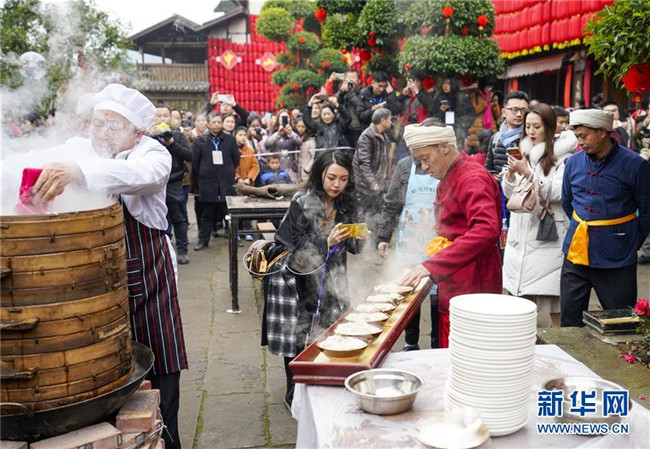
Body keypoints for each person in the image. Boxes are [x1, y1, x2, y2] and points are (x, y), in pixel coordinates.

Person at [31, 84, 187, 449]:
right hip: (93, 280)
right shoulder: (79, 148)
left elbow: (139, 176)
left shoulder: (152, 153)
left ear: (137, 132)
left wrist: (78, 172)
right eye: (98, 123)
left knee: (161, 360)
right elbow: (29, 157)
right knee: (100, 362)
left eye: (114, 125)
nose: (102, 132)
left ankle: (167, 437)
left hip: (149, 278)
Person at [261, 149, 364, 408]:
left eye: (343, 179)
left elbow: (354, 248)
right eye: (331, 178)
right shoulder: (302, 201)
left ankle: (324, 381)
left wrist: (359, 235)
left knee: (331, 327)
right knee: (297, 335)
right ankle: (294, 390)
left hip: (332, 276)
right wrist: (326, 241)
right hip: (297, 277)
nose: (337, 185)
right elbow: (291, 244)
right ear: (320, 175)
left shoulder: (347, 203)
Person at [398, 123, 502, 348]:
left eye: (426, 158)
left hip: (473, 281)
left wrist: (433, 265)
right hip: (455, 277)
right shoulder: (450, 174)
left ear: (444, 147)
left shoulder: (471, 177)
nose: (424, 166)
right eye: (420, 161)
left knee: (466, 348)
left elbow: (486, 229)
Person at [560, 109, 650, 326]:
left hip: (617, 255)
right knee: (570, 318)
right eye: (577, 137)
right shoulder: (573, 162)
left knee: (621, 321)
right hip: (576, 251)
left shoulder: (635, 165)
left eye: (584, 136)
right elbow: (567, 202)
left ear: (602, 132)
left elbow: (646, 212)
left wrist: (629, 240)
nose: (580, 143)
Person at [501, 104, 576, 327]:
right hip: (520, 235)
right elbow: (511, 194)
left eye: (537, 126)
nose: (531, 131)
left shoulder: (564, 159)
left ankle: (563, 346)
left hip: (547, 237)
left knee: (554, 304)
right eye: (528, 127)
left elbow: (559, 193)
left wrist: (527, 173)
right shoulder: (523, 154)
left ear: (549, 128)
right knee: (518, 308)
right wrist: (511, 175)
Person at [377, 121, 441, 350]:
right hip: (409, 242)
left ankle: (437, 344)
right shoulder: (405, 166)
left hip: (438, 243)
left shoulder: (445, 167)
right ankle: (411, 342)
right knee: (409, 294)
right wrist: (383, 236)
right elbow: (392, 203)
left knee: (437, 298)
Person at [150, 104, 192, 265]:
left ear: (171, 118)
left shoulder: (178, 135)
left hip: (174, 183)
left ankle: (182, 249)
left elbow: (190, 155)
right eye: (158, 115)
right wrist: (152, 136)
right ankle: (163, 250)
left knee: (179, 217)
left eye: (165, 115)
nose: (162, 118)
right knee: (157, 219)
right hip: (154, 184)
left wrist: (172, 142)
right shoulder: (147, 136)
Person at [191, 112, 240, 250]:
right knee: (207, 214)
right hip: (208, 182)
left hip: (226, 181)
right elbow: (195, 163)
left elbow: (236, 159)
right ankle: (203, 240)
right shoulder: (200, 140)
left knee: (229, 213)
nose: (217, 125)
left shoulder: (230, 140)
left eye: (219, 122)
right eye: (214, 122)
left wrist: (227, 171)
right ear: (208, 124)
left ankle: (234, 238)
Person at [352, 108, 393, 233]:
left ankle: (373, 237)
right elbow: (363, 162)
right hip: (366, 186)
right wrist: (372, 182)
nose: (391, 122)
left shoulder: (383, 135)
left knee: (375, 213)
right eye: (390, 119)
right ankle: (362, 239)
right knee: (365, 214)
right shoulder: (367, 136)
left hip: (378, 183)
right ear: (383, 120)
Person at [485, 91, 530, 177]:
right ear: (503, 112)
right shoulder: (496, 138)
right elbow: (488, 169)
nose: (519, 114)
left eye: (523, 110)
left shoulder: (530, 137)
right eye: (514, 110)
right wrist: (494, 176)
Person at [264, 109, 301, 183]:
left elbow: (299, 142)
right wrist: (278, 134)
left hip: (290, 165)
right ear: (278, 119)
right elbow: (267, 144)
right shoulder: (273, 130)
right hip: (277, 164)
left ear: (290, 118)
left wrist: (291, 133)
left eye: (287, 117)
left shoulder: (293, 130)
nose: (284, 119)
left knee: (292, 185)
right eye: (282, 117)